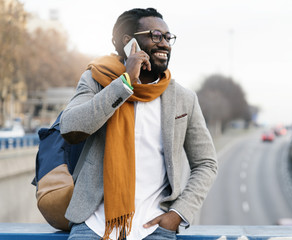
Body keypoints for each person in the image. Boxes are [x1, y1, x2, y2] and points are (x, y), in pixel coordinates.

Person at [60, 8, 217, 240]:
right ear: (129, 42)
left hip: (154, 228)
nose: (164, 43)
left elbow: (206, 163)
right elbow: (71, 128)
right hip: (94, 225)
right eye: (155, 36)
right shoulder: (97, 80)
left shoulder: (184, 99)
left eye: (167, 37)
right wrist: (124, 83)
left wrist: (178, 214)